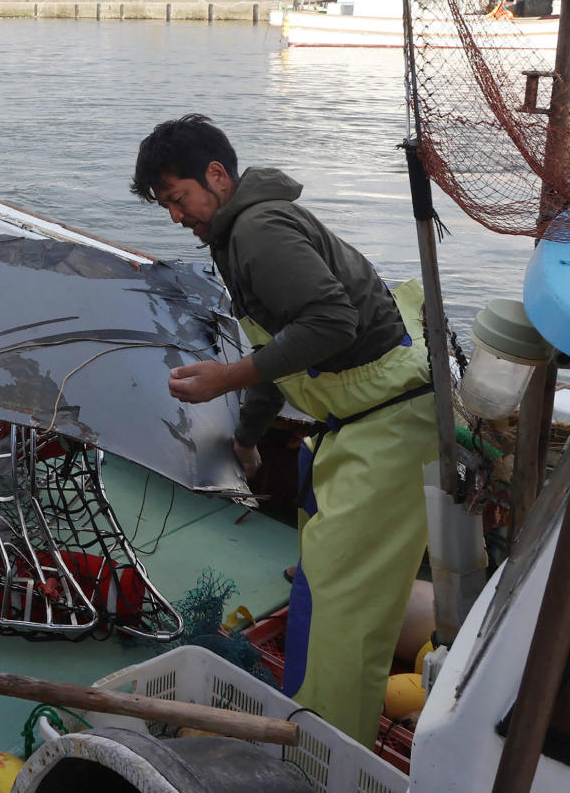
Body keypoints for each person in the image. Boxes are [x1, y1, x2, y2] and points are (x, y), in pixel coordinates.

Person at [131, 114, 437, 746]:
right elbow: (285, 348)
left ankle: (328, 756)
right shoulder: (238, 234)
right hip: (356, 422)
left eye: (177, 198)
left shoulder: (259, 230)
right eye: (164, 205)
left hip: (388, 423)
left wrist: (223, 378)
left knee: (339, 610)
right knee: (326, 587)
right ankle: (321, 725)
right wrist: (247, 435)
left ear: (216, 176)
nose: (174, 216)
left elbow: (331, 323)